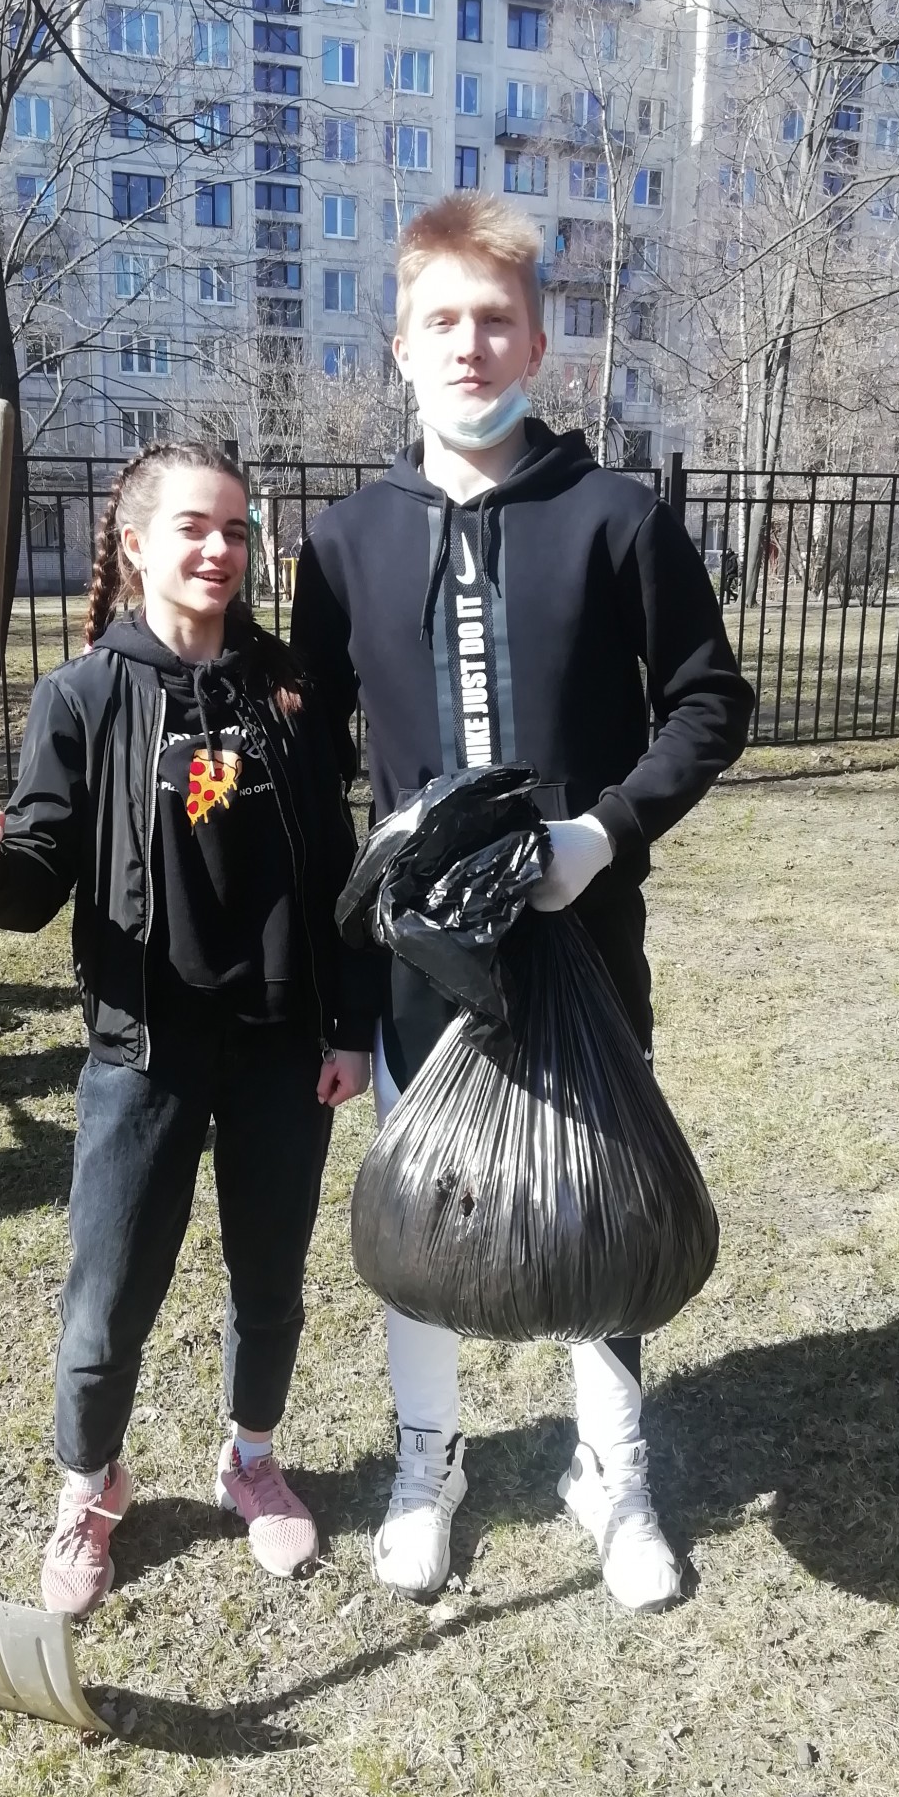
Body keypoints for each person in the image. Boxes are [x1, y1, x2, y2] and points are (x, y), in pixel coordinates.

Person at [290, 195, 754, 1612]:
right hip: (418, 962)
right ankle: (426, 1462)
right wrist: (341, 989)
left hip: (583, 940)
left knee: (596, 1199)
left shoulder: (615, 516)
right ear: (399, 345)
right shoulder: (344, 543)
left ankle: (612, 1469)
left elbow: (709, 702)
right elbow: (313, 772)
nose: (469, 345)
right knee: (422, 1203)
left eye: (496, 320)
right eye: (441, 320)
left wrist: (600, 835)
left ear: (538, 342)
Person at [0, 441, 374, 1618]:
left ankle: (251, 1458)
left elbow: (337, 869)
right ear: (134, 543)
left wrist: (350, 1024)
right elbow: (36, 874)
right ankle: (91, 1485)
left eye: (235, 528)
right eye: (193, 526)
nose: (220, 549)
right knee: (109, 1295)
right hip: (144, 1050)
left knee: (269, 1277)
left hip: (281, 1044)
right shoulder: (82, 696)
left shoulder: (289, 693)